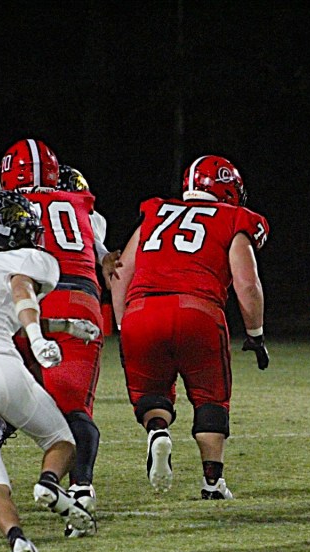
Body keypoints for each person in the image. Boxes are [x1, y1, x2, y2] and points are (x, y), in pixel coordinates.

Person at [0, 146, 106, 540]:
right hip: (68, 296)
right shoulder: (67, 212)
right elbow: (23, 287)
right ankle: (77, 489)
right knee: (69, 413)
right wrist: (46, 333)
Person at [109, 154, 269, 499]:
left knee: (152, 393)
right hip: (197, 311)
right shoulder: (233, 217)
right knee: (210, 397)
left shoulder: (156, 212)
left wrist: (124, 325)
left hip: (142, 310)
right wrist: (255, 333)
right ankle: (212, 482)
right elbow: (247, 284)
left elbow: (121, 272)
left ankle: (157, 431)